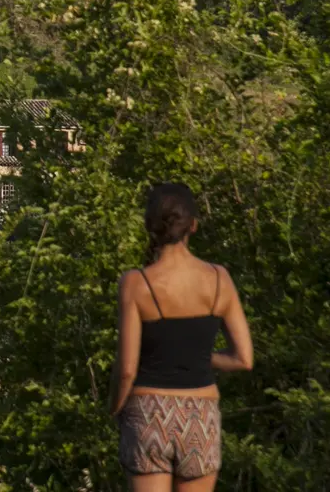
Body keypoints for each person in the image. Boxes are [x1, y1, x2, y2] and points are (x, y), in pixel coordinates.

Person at [110, 182, 253, 490]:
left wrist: (115, 409)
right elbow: (244, 359)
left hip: (148, 411)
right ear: (194, 225)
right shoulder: (219, 279)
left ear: (150, 227)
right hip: (200, 416)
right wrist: (201, 356)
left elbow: (126, 370)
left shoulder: (135, 283)